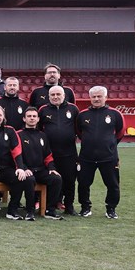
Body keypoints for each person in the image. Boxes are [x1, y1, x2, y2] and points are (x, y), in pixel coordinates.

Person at [0, 104, 36, 221]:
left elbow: (16, 150)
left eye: (0, 115)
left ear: (3, 116)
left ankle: (12, 210)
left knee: (20, 178)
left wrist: (20, 168)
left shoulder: (10, 130)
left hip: (6, 168)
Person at [76, 86, 124, 219]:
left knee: (113, 185)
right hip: (86, 157)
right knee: (83, 184)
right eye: (94, 97)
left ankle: (111, 209)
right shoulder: (82, 115)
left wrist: (109, 144)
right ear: (90, 98)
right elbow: (79, 132)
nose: (96, 99)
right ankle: (85, 208)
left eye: (99, 96)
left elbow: (120, 133)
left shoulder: (115, 114)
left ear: (106, 97)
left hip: (109, 157)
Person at [38, 85, 80, 216]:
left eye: (58, 94)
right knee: (51, 180)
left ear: (64, 95)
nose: (55, 97)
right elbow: (38, 130)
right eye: (52, 95)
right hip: (49, 153)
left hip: (69, 153)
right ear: (48, 96)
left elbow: (78, 129)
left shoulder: (73, 109)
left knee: (69, 180)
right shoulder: (43, 110)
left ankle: (69, 206)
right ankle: (48, 204)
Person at [17, 107, 64, 220]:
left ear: (38, 119)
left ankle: (49, 210)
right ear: (24, 119)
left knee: (56, 179)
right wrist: (23, 168)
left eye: (34, 116)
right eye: (29, 116)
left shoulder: (43, 135)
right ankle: (30, 211)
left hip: (40, 170)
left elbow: (48, 155)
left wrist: (51, 168)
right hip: (26, 170)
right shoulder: (18, 134)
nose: (32, 118)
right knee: (30, 180)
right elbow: (16, 155)